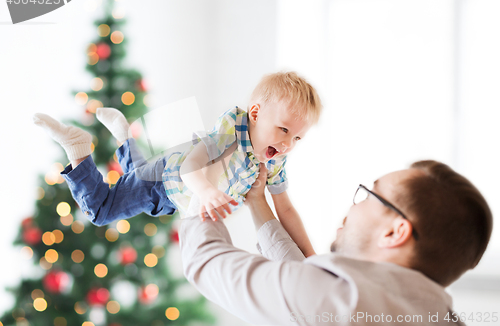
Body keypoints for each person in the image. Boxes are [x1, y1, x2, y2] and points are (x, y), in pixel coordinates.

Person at [33, 71, 322, 258]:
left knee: (136, 175)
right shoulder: (231, 130)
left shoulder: (273, 161)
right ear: (256, 114)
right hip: (166, 181)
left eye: (297, 137)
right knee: (100, 210)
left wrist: (311, 257)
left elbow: (285, 208)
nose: (288, 144)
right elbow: (189, 167)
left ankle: (123, 136)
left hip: (173, 199)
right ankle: (78, 147)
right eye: (283, 130)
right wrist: (207, 191)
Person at [179, 160, 493, 326]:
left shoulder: (335, 303)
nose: (353, 206)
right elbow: (304, 281)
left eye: (370, 194)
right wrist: (258, 202)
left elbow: (205, 262)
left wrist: (201, 187)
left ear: (395, 232)